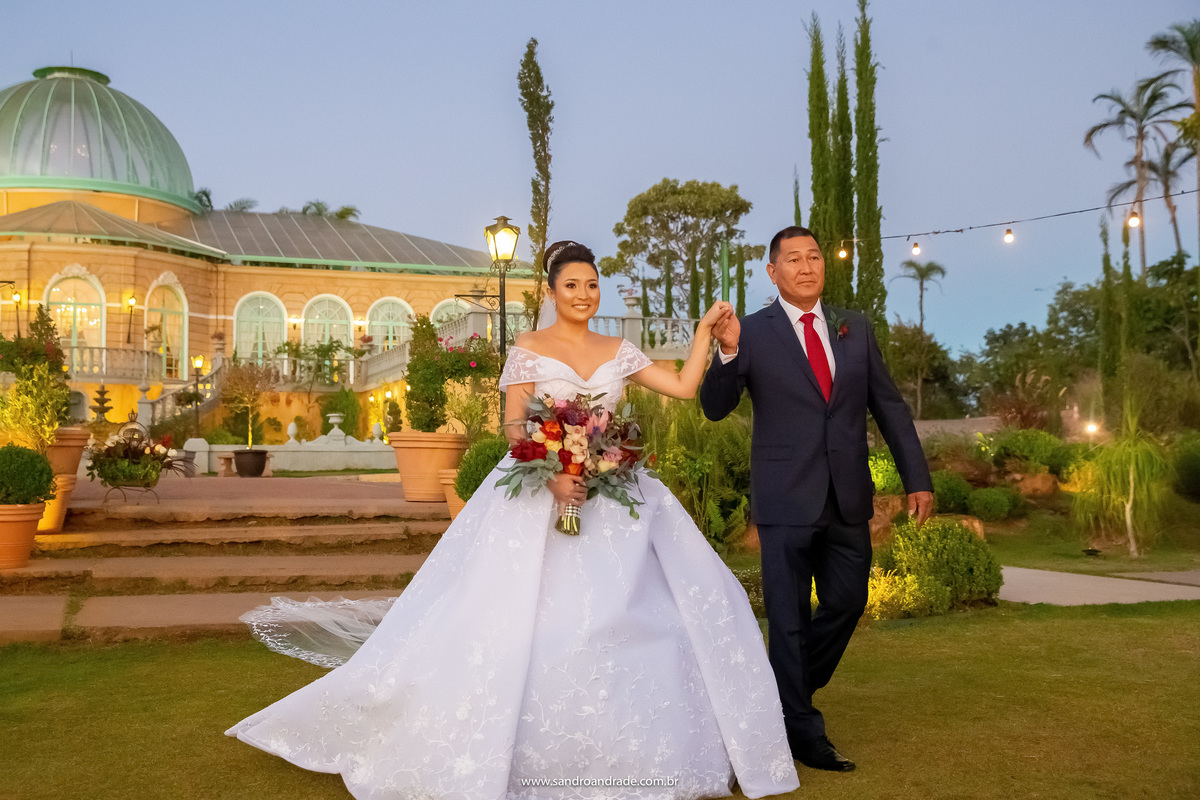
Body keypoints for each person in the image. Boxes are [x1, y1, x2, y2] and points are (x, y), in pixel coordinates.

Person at [226, 240, 801, 800]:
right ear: (552, 292)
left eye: (593, 285)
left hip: (613, 492)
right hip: (537, 489)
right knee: (518, 621)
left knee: (645, 618)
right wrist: (552, 472)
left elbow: (681, 386)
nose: (585, 294)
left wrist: (705, 336)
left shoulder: (619, 350)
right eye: (572, 285)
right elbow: (514, 425)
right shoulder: (528, 346)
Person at [700, 226, 933, 773]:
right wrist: (728, 352)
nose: (806, 267)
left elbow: (890, 408)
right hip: (784, 498)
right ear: (772, 272)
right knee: (785, 617)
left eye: (814, 257)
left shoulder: (856, 327)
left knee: (849, 601)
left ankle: (784, 694)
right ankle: (804, 731)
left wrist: (917, 478)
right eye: (793, 260)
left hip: (848, 496)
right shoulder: (750, 332)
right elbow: (713, 406)